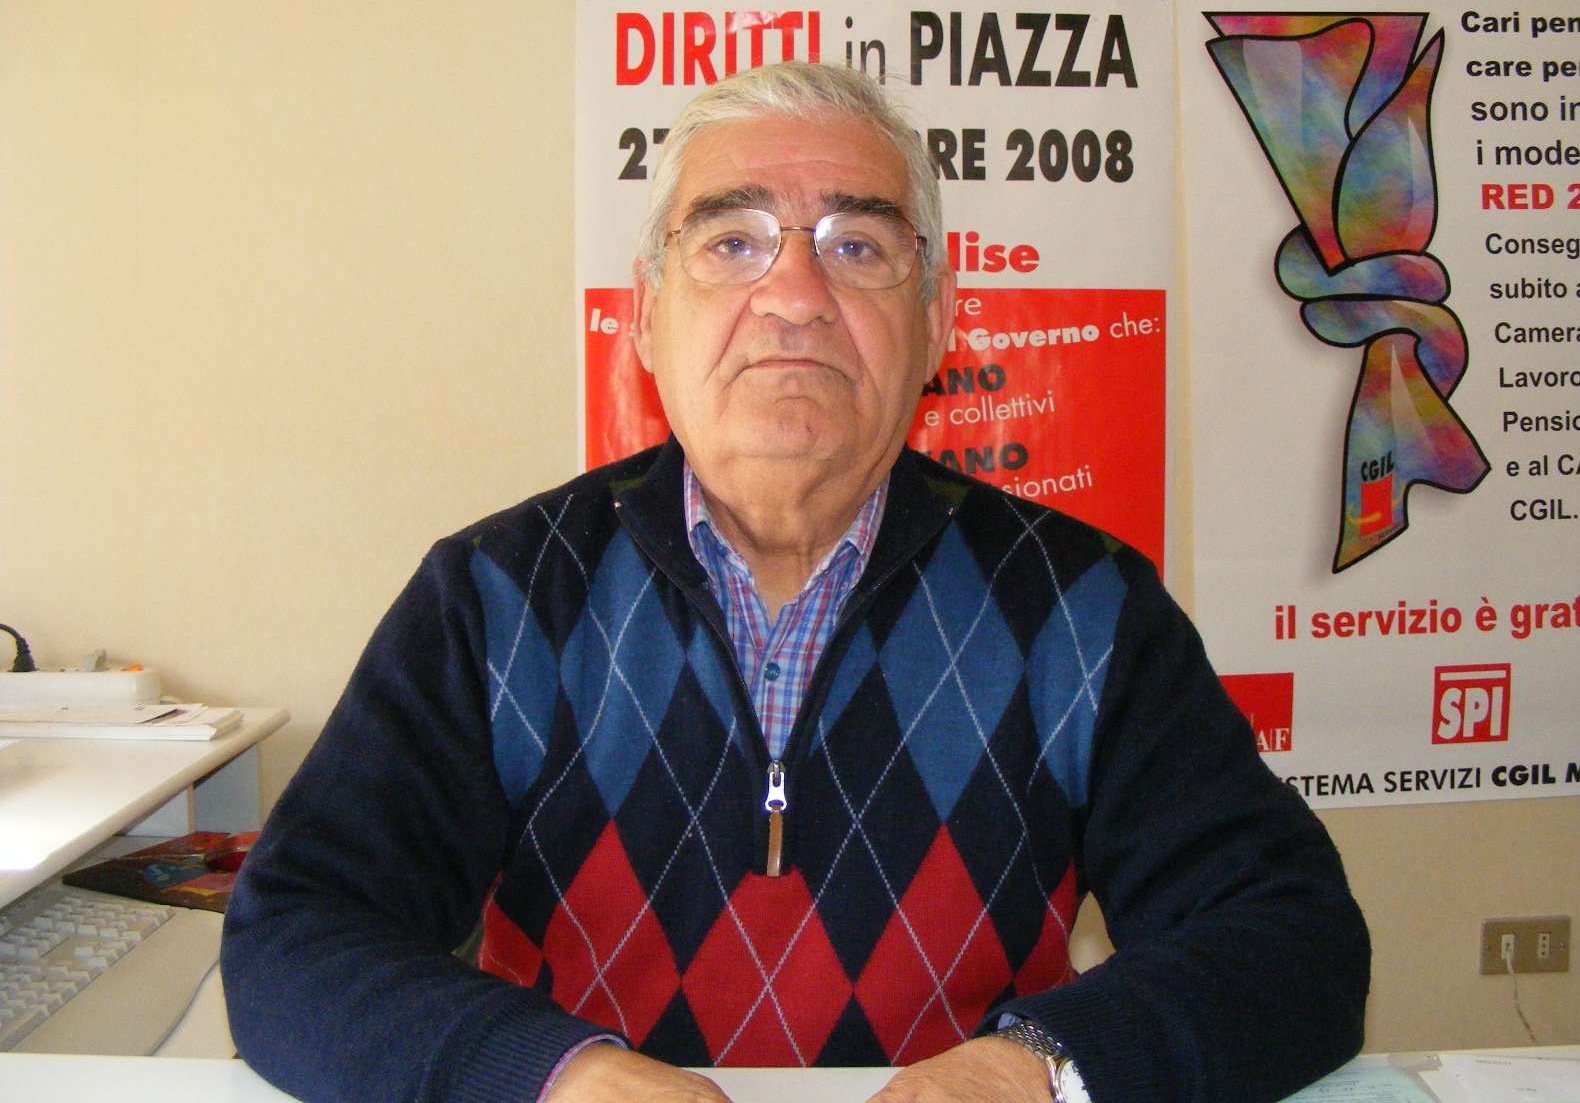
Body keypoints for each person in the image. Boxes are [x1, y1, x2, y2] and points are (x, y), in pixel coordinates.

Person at [223, 61, 1369, 1103]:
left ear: (935, 322)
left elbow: (1293, 937)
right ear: (645, 316)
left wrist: (1035, 1073)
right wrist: (546, 1078)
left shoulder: (1085, 607)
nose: (795, 294)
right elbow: (296, 934)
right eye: (732, 243)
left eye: (857, 246)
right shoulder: (494, 596)